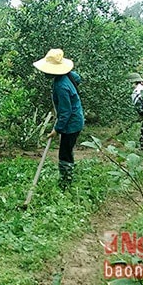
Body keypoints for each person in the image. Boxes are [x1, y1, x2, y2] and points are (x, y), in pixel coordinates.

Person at [33, 48, 84, 190]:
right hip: (76, 117)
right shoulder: (69, 75)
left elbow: (66, 112)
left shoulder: (61, 86)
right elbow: (78, 79)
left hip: (72, 123)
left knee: (65, 153)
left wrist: (57, 129)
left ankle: (65, 183)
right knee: (67, 150)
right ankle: (66, 179)